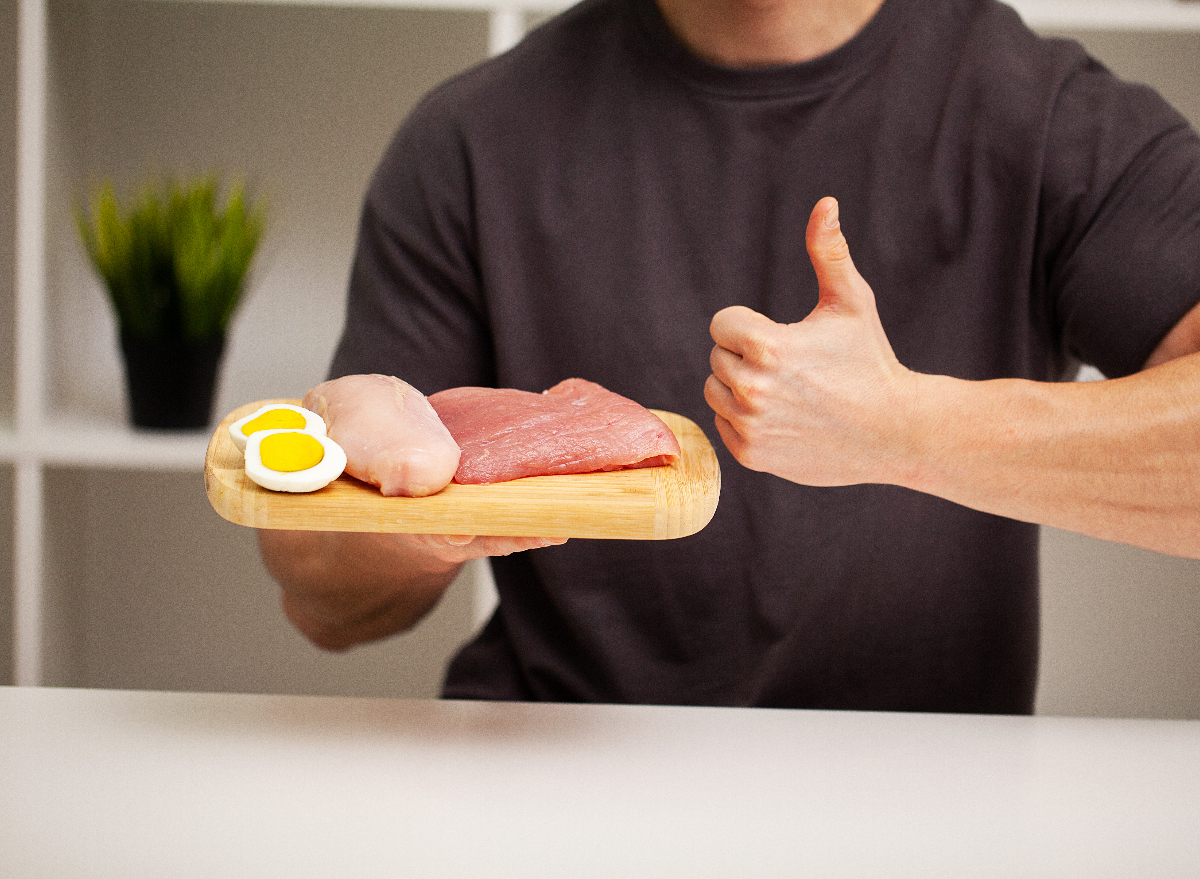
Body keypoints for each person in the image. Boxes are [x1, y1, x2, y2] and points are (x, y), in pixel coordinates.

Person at [259, 0, 1200, 712]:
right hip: (548, 789)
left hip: (922, 806)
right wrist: (416, 526)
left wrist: (904, 429)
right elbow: (327, 604)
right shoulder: (468, 139)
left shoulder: (1051, 119)